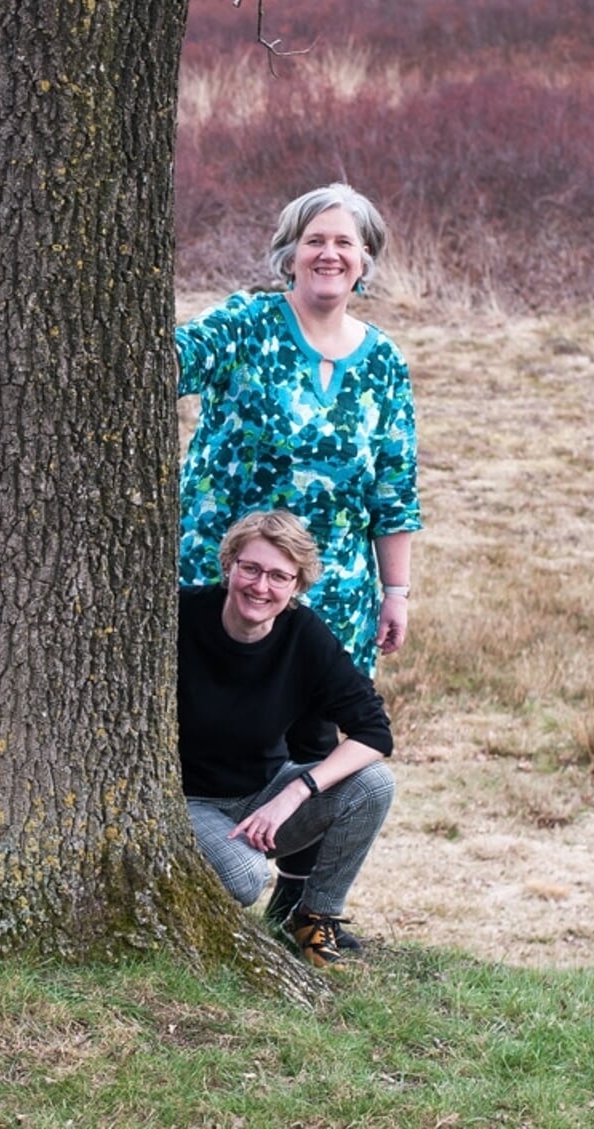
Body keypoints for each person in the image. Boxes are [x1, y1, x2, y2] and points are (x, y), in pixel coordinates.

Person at [176, 183, 420, 922]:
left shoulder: (382, 361)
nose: (329, 253)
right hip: (224, 583)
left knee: (314, 747)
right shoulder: (245, 325)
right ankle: (206, 864)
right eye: (316, 238)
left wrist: (395, 589)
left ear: (365, 262)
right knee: (210, 730)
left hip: (333, 594)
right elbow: (162, 364)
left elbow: (394, 486)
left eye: (346, 242)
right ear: (288, 253)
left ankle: (300, 914)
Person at [178, 511, 396, 967]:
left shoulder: (304, 634)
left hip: (266, 797)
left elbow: (374, 732)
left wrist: (299, 790)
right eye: (251, 569)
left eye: (279, 576)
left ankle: (314, 916)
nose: (261, 586)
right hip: (190, 802)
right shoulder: (181, 617)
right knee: (245, 878)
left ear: (297, 585)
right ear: (229, 566)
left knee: (374, 783)